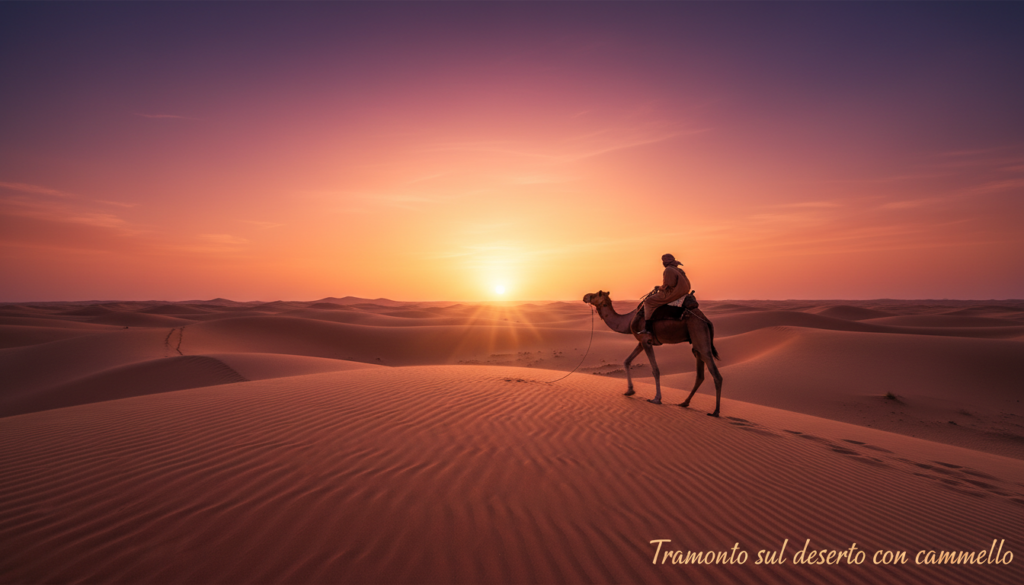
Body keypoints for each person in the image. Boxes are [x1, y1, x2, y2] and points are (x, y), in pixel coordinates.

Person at [637, 253, 691, 340]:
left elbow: (669, 285)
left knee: (648, 302)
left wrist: (660, 288)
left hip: (674, 293)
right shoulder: (678, 269)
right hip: (682, 292)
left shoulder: (668, 270)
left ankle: (648, 328)